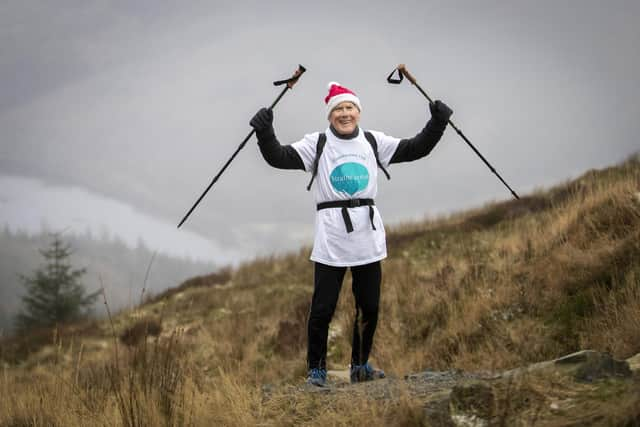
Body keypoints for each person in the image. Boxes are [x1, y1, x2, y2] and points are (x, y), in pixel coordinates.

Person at [250, 81, 452, 387]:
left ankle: (360, 366)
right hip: (332, 238)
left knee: (369, 306)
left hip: (367, 237)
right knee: (322, 310)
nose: (345, 114)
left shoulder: (373, 141)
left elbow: (415, 149)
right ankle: (316, 371)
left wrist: (437, 123)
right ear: (330, 116)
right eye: (339, 109)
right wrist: (265, 133)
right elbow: (277, 156)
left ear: (358, 112)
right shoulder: (316, 144)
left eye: (350, 108)